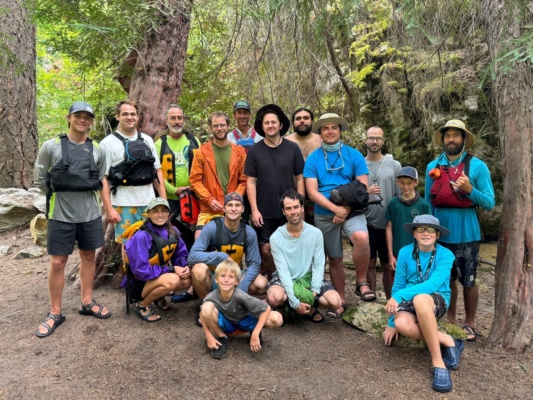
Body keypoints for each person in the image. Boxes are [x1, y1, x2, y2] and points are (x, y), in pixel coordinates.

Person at [34, 101, 111, 338]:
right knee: (58, 262)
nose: (82, 120)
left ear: (91, 122)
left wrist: (107, 208)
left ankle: (87, 302)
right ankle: (55, 311)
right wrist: (60, 195)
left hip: (89, 214)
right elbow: (39, 178)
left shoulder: (97, 149)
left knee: (89, 255)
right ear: (69, 118)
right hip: (60, 214)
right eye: (78, 115)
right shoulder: (51, 146)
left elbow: (101, 180)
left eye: (87, 117)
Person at [425, 119, 495, 341]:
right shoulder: (432, 167)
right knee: (447, 279)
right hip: (441, 234)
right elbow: (429, 202)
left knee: (469, 280)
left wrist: (470, 189)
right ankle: (450, 320)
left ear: (464, 139)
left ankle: (470, 323)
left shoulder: (477, 166)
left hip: (468, 234)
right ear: (443, 140)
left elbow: (490, 202)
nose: (451, 139)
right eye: (448, 135)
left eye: (456, 135)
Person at [383, 214, 464, 393]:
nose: (426, 233)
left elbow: (433, 284)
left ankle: (438, 363)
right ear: (414, 233)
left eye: (430, 230)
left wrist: (400, 296)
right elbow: (397, 286)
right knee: (401, 323)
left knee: (421, 299)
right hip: (410, 299)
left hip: (437, 299)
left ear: (437, 234)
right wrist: (391, 323)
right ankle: (447, 339)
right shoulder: (405, 252)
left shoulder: (446, 255)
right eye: (421, 229)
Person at [304, 113, 373, 319]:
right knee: (334, 257)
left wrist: (345, 210)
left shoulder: (354, 155)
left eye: (334, 127)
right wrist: (335, 210)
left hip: (352, 210)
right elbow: (312, 192)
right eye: (326, 128)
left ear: (340, 131)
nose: (330, 131)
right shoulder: (313, 159)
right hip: (325, 213)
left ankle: (362, 282)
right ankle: (341, 300)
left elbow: (362, 187)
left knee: (361, 237)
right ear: (320, 133)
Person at [244, 104, 305, 278]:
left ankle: (293, 282)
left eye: (273, 122)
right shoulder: (254, 151)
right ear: (262, 126)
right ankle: (274, 281)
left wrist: (299, 205)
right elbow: (250, 182)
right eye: (266, 123)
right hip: (264, 210)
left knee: (292, 248)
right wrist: (254, 210)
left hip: (290, 210)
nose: (270, 125)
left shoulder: (292, 148)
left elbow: (300, 177)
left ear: (280, 125)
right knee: (266, 250)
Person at [267, 190, 341, 322]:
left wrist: (312, 293)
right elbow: (283, 271)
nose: (293, 212)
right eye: (288, 209)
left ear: (302, 208)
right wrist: (295, 303)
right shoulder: (276, 237)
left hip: (308, 275)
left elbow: (319, 265)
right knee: (274, 298)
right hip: (286, 276)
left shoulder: (316, 233)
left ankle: (310, 306)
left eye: (296, 207)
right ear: (284, 212)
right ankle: (284, 306)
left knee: (335, 302)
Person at [99, 100, 166, 244]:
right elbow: (102, 178)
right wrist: (109, 208)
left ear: (137, 117)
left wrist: (163, 201)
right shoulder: (107, 143)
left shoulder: (147, 140)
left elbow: (157, 172)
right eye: (125, 114)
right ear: (118, 117)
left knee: (153, 242)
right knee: (128, 244)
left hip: (149, 202)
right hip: (124, 203)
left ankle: (150, 267)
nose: (129, 117)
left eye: (133, 114)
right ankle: (130, 268)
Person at [123, 197, 191, 322]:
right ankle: (142, 305)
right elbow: (141, 271)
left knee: (187, 279)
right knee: (173, 280)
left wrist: (184, 266)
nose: (160, 215)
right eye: (155, 211)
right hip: (139, 283)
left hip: (156, 276)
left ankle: (157, 296)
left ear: (168, 214)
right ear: (148, 213)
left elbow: (180, 254)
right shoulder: (141, 236)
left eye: (163, 210)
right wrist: (172, 269)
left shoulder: (173, 230)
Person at [188, 192, 266, 300]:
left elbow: (254, 264)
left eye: (237, 205)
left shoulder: (249, 232)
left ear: (243, 209)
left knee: (261, 283)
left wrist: (243, 286)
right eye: (230, 205)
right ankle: (207, 303)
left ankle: (233, 299)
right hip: (213, 275)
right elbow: (192, 256)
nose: (233, 209)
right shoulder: (212, 227)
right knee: (198, 270)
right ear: (224, 209)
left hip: (235, 276)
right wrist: (221, 257)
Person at [200, 259, 283, 359]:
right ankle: (222, 337)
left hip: (245, 320)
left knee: (277, 318)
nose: (226, 280)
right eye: (222, 276)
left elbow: (266, 309)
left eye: (231, 277)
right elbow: (202, 313)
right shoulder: (212, 296)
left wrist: (256, 333)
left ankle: (253, 331)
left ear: (237, 281)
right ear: (216, 279)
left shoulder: (240, 295)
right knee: (206, 307)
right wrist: (209, 336)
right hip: (228, 323)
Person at [189, 111, 247, 239]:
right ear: (210, 128)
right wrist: (210, 200)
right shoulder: (201, 152)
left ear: (228, 126)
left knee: (232, 248)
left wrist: (234, 200)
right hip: (208, 209)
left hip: (232, 209)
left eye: (222, 125)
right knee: (200, 241)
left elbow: (244, 181)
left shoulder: (239, 152)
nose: (219, 129)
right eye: (216, 126)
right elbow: (195, 181)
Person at [154, 104, 200, 251]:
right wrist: (174, 190)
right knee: (171, 233)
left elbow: (203, 167)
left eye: (179, 118)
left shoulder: (193, 141)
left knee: (192, 232)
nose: (177, 121)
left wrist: (196, 187)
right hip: (170, 199)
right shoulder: (160, 143)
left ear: (184, 120)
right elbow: (155, 173)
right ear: (166, 121)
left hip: (193, 197)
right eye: (173, 118)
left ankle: (193, 264)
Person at [364, 126, 401, 299]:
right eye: (371, 138)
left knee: (388, 264)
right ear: (365, 141)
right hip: (365, 221)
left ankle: (389, 300)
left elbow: (400, 194)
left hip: (388, 223)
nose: (374, 141)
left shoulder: (394, 165)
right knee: (369, 263)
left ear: (383, 141)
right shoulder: (359, 164)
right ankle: (370, 298)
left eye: (378, 138)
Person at [386, 166, 431, 271]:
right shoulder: (393, 203)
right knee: (398, 283)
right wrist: (390, 255)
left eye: (409, 183)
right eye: (402, 182)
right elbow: (388, 229)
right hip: (398, 252)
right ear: (397, 182)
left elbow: (429, 232)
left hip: (418, 253)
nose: (405, 186)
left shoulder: (423, 205)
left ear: (416, 183)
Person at [286, 107, 322, 224]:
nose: (302, 121)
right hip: (292, 194)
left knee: (317, 229)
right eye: (298, 118)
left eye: (306, 118)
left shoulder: (321, 140)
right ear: (293, 122)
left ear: (312, 121)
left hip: (318, 193)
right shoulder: (285, 142)